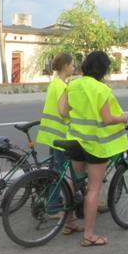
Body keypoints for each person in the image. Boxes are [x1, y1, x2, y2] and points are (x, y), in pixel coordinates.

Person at [59, 51, 128, 247]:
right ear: (104, 69)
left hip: (75, 141)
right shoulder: (102, 89)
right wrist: (122, 118)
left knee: (75, 183)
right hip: (95, 145)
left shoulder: (72, 84)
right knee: (93, 189)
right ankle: (89, 235)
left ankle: (69, 223)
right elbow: (107, 119)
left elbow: (63, 111)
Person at [36, 52, 82, 234]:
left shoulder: (54, 83)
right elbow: (63, 111)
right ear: (65, 66)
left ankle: (52, 202)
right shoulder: (62, 86)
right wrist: (75, 109)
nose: (74, 68)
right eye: (72, 65)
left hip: (50, 133)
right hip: (60, 135)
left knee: (54, 170)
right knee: (59, 173)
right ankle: (54, 207)